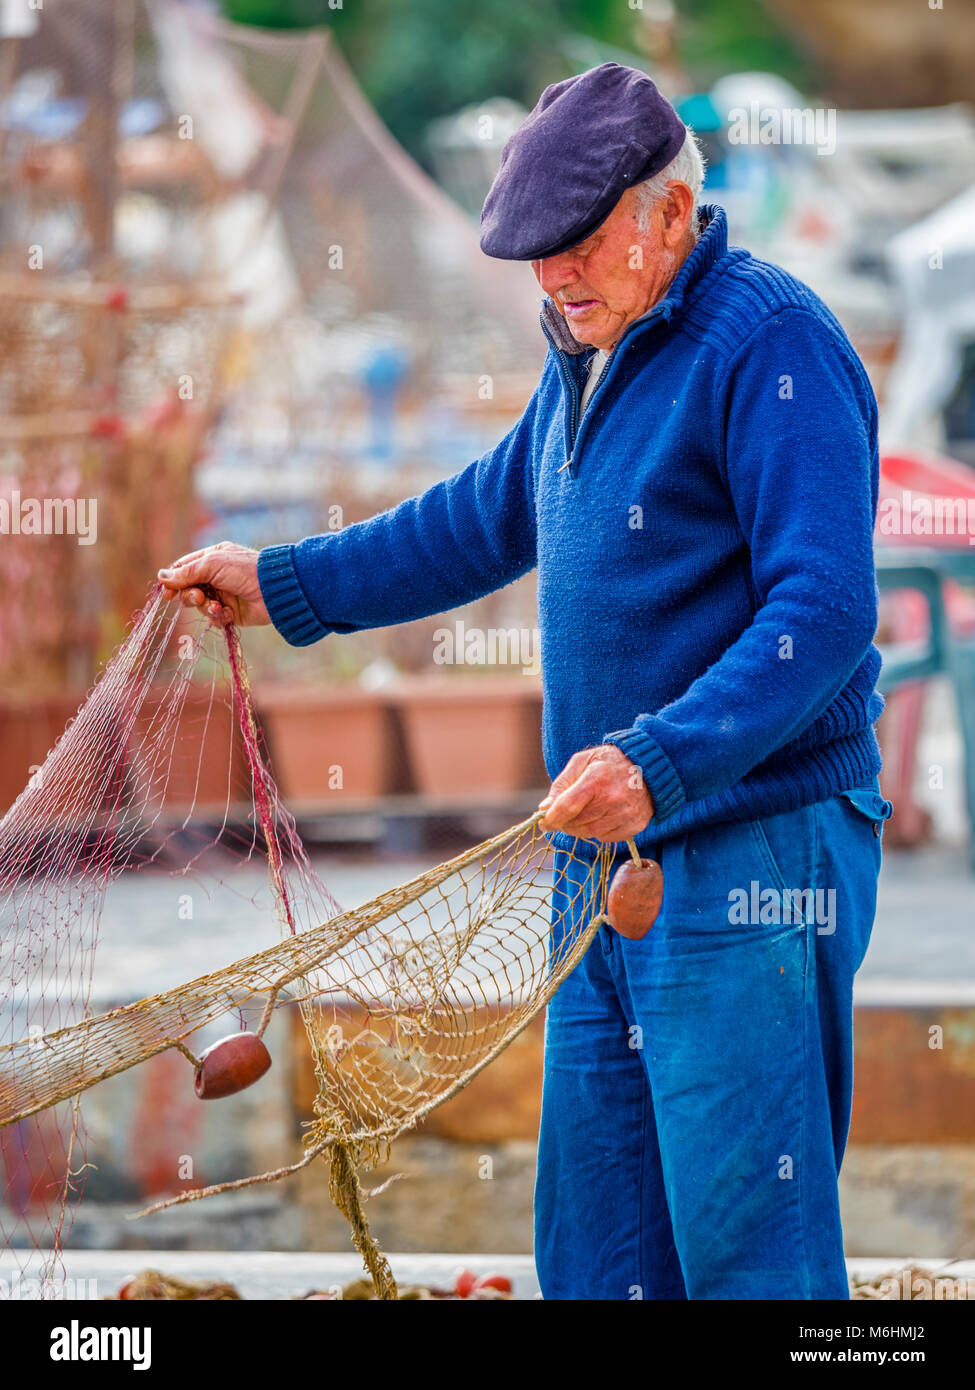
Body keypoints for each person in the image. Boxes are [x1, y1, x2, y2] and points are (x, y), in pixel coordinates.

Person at [159, 63, 891, 1301]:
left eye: (581, 245)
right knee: (598, 1253)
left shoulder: (774, 345)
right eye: (536, 255)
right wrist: (281, 583)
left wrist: (658, 760)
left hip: (752, 855)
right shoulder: (584, 351)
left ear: (671, 212)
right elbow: (476, 521)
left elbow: (822, 613)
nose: (553, 277)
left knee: (748, 1257)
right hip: (596, 864)